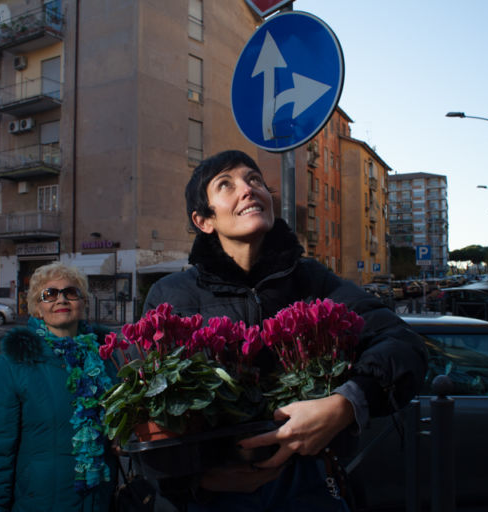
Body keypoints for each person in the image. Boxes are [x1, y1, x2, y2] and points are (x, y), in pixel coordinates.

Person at [142, 150, 428, 511]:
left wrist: (345, 404)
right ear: (204, 220)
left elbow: (404, 345)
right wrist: (195, 482)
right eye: (226, 185)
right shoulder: (171, 295)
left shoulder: (314, 281)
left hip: (307, 481)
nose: (248, 189)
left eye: (255, 180)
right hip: (212, 496)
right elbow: (146, 413)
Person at [0, 262, 117, 511]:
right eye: (49, 294)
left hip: (100, 501)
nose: (61, 299)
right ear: (37, 308)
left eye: (71, 292)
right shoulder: (12, 363)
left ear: (83, 303)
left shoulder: (107, 359)